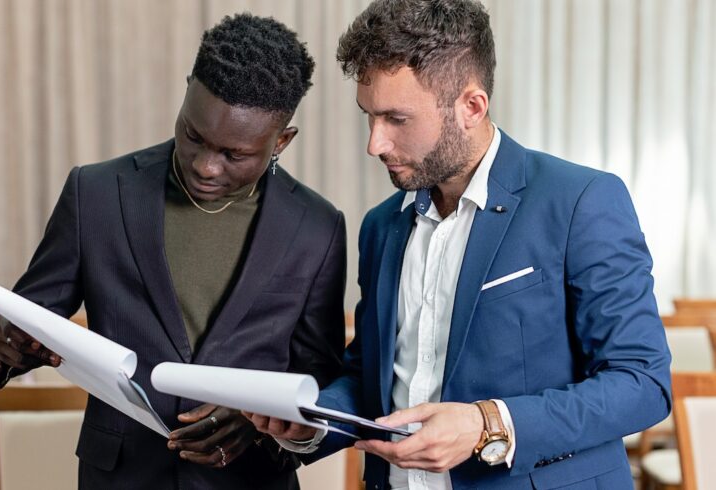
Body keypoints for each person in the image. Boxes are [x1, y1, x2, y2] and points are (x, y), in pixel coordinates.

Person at [247, 1, 672, 488]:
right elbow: (372, 379)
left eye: (396, 119)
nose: (375, 143)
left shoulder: (581, 201)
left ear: (471, 107)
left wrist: (486, 424)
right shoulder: (380, 226)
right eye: (369, 116)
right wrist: (313, 420)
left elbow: (642, 384)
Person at [0, 13, 347, 490]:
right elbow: (25, 317)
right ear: (187, 91)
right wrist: (5, 341)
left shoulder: (318, 228)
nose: (205, 166)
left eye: (234, 155)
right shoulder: (95, 192)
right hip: (121, 477)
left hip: (248, 481)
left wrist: (261, 426)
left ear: (281, 141)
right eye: (193, 134)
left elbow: (319, 378)